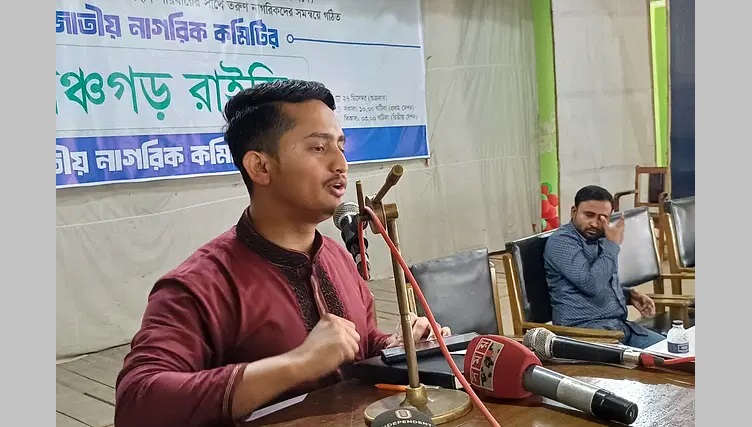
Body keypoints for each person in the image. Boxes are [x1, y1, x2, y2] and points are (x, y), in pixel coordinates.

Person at [114, 79, 451, 427]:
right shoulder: (200, 285)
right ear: (260, 167)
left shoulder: (335, 257)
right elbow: (137, 401)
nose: (340, 164)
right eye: (318, 149)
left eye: (340, 146)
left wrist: (397, 346)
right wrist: (297, 363)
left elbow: (355, 346)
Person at [543, 185, 665, 349]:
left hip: (617, 329)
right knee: (665, 365)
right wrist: (612, 244)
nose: (594, 223)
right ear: (574, 212)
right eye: (588, 215)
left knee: (678, 354)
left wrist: (629, 295)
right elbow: (590, 284)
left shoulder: (600, 239)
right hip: (586, 336)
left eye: (602, 218)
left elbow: (601, 282)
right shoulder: (562, 242)